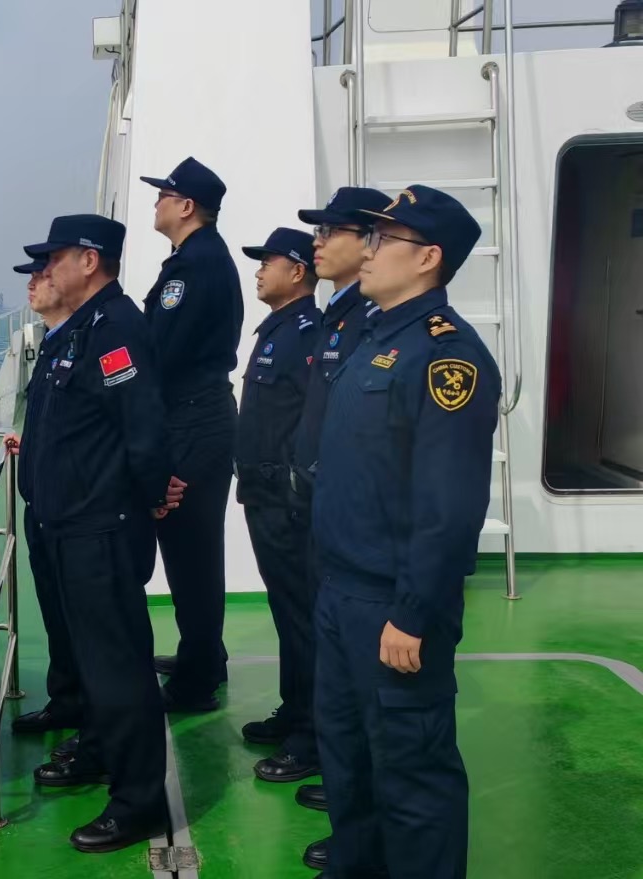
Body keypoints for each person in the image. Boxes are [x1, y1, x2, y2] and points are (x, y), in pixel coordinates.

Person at [308, 185, 499, 879]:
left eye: (384, 239)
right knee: (349, 761)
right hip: (340, 592)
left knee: (413, 773)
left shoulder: (448, 359)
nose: (368, 249)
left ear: (427, 258)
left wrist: (413, 612)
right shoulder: (375, 337)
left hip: (392, 604)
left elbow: (448, 507)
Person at [17, 213, 185, 852]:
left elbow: (143, 428)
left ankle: (140, 801)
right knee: (92, 661)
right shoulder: (80, 331)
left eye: (54, 258)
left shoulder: (115, 329)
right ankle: (96, 749)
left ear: (89, 261)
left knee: (119, 668)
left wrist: (149, 500)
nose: (45, 269)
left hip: (99, 528)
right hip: (68, 523)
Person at [244, 187, 391, 837]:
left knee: (315, 629)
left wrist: (295, 483)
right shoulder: (330, 319)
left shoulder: (352, 323)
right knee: (300, 621)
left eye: (331, 231)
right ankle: (313, 734)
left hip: (314, 506)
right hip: (295, 496)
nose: (318, 241)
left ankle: (320, 746)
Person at [138, 157, 243, 712]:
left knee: (191, 553)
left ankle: (197, 680)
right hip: (199, 415)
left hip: (191, 420)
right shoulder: (200, 259)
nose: (155, 202)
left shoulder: (193, 267)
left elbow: (160, 351)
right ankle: (204, 654)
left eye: (163, 195)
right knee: (192, 550)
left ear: (185, 207)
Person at [231, 227, 323, 785]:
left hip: (286, 502)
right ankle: (294, 709)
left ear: (297, 271)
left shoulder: (307, 333)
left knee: (303, 617)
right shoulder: (278, 330)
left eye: (268, 262)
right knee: (286, 613)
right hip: (264, 496)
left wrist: (293, 487)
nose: (260, 271)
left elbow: (313, 421)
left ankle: (312, 734)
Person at [7, 255, 83, 763]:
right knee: (56, 614)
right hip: (44, 505)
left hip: (76, 511)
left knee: (84, 625)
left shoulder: (89, 340)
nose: (32, 283)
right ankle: (67, 700)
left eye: (42, 273)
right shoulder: (55, 342)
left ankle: (96, 726)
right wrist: (29, 444)